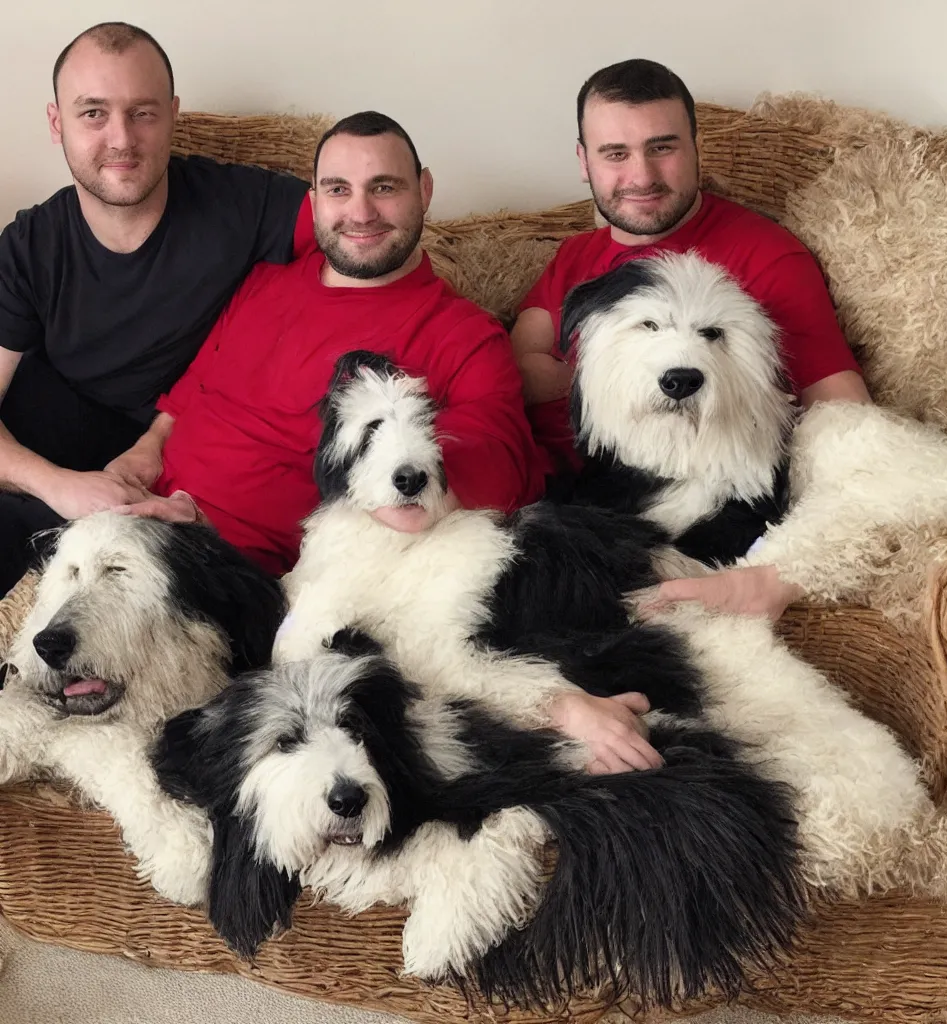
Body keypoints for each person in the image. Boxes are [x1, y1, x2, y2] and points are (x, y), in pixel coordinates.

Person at [106, 111, 662, 776]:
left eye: (385, 188)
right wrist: (146, 449)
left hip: (239, 580)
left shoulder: (462, 335)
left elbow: (502, 461)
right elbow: (198, 385)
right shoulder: (267, 283)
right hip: (141, 518)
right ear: (313, 202)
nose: (360, 211)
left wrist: (400, 476)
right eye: (338, 190)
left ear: (425, 190)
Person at [512, 58, 872, 622]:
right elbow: (521, 362)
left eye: (663, 147)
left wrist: (785, 571)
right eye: (615, 153)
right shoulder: (575, 258)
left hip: (686, 515)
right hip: (560, 500)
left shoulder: (764, 257)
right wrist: (614, 377)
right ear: (583, 162)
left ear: (697, 147)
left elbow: (845, 412)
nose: (641, 176)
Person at [0, 21, 313, 595]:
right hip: (63, 456)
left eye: (141, 112)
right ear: (56, 123)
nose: (120, 140)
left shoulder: (244, 204)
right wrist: (58, 485)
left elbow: (358, 240)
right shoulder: (29, 246)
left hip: (193, 464)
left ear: (172, 114)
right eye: (92, 113)